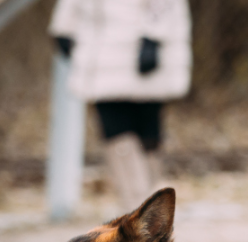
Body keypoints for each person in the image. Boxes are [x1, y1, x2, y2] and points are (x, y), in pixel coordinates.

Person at [49, 0, 192, 212]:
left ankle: (148, 204)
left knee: (147, 129)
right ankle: (137, 203)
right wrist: (65, 25)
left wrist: (154, 36)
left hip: (139, 47)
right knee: (114, 127)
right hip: (100, 53)